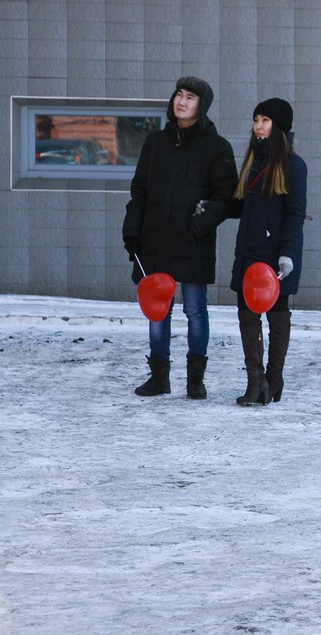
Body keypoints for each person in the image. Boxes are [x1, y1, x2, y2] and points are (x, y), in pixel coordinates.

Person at [122, 76, 238, 399]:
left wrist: (198, 227)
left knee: (195, 311)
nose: (182, 101)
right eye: (179, 95)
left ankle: (195, 380)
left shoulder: (217, 148)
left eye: (190, 97)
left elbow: (225, 198)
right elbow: (139, 192)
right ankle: (159, 377)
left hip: (192, 244)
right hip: (155, 242)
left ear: (202, 106)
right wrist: (132, 230)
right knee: (158, 311)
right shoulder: (155, 143)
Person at [229, 98, 307, 406]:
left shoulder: (293, 164)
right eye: (256, 119)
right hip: (248, 254)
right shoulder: (253, 161)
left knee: (276, 315)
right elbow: (242, 207)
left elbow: (295, 213)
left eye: (265, 120)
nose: (257, 126)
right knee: (247, 316)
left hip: (276, 256)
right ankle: (255, 382)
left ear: (279, 128)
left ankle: (274, 380)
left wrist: (287, 253)